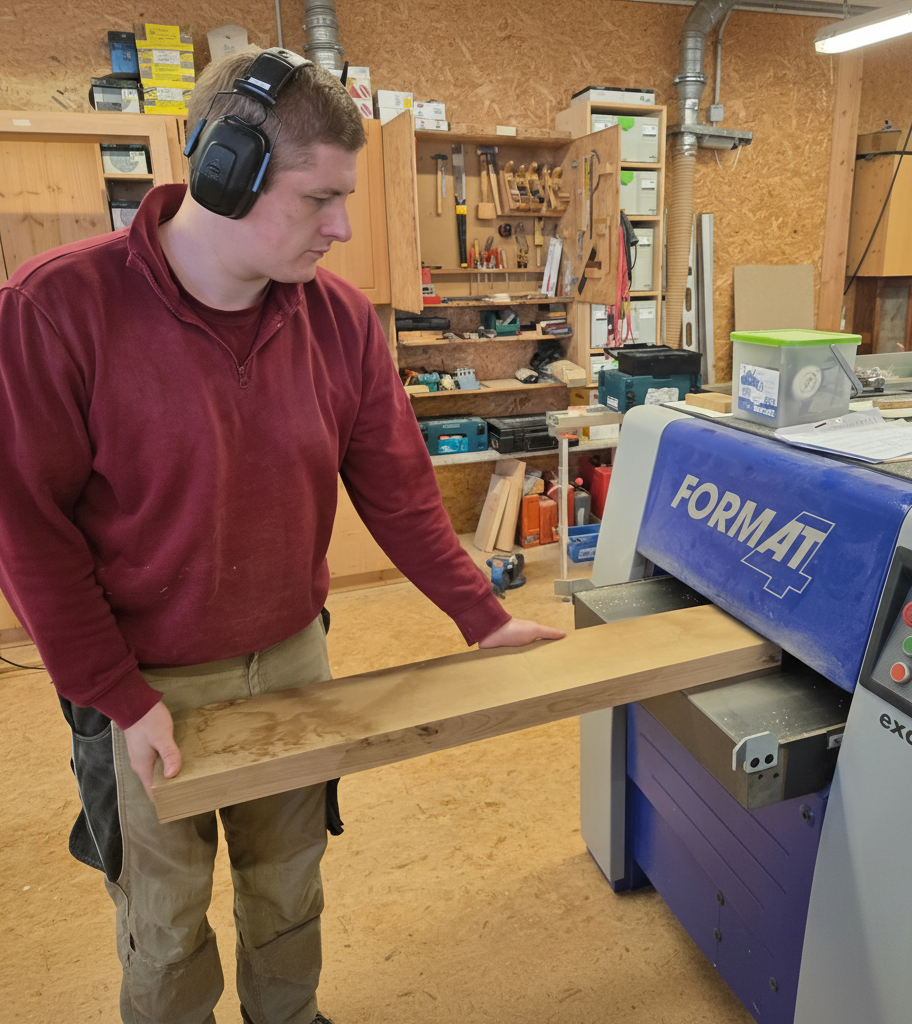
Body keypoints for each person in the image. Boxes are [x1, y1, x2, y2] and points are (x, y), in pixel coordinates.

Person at [0, 47, 564, 1024]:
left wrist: (482, 616)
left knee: (288, 884)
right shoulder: (54, 308)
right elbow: (26, 531)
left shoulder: (338, 320)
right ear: (225, 170)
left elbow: (398, 489)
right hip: (142, 681)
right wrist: (117, 697)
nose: (341, 228)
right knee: (164, 920)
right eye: (319, 198)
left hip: (295, 656)